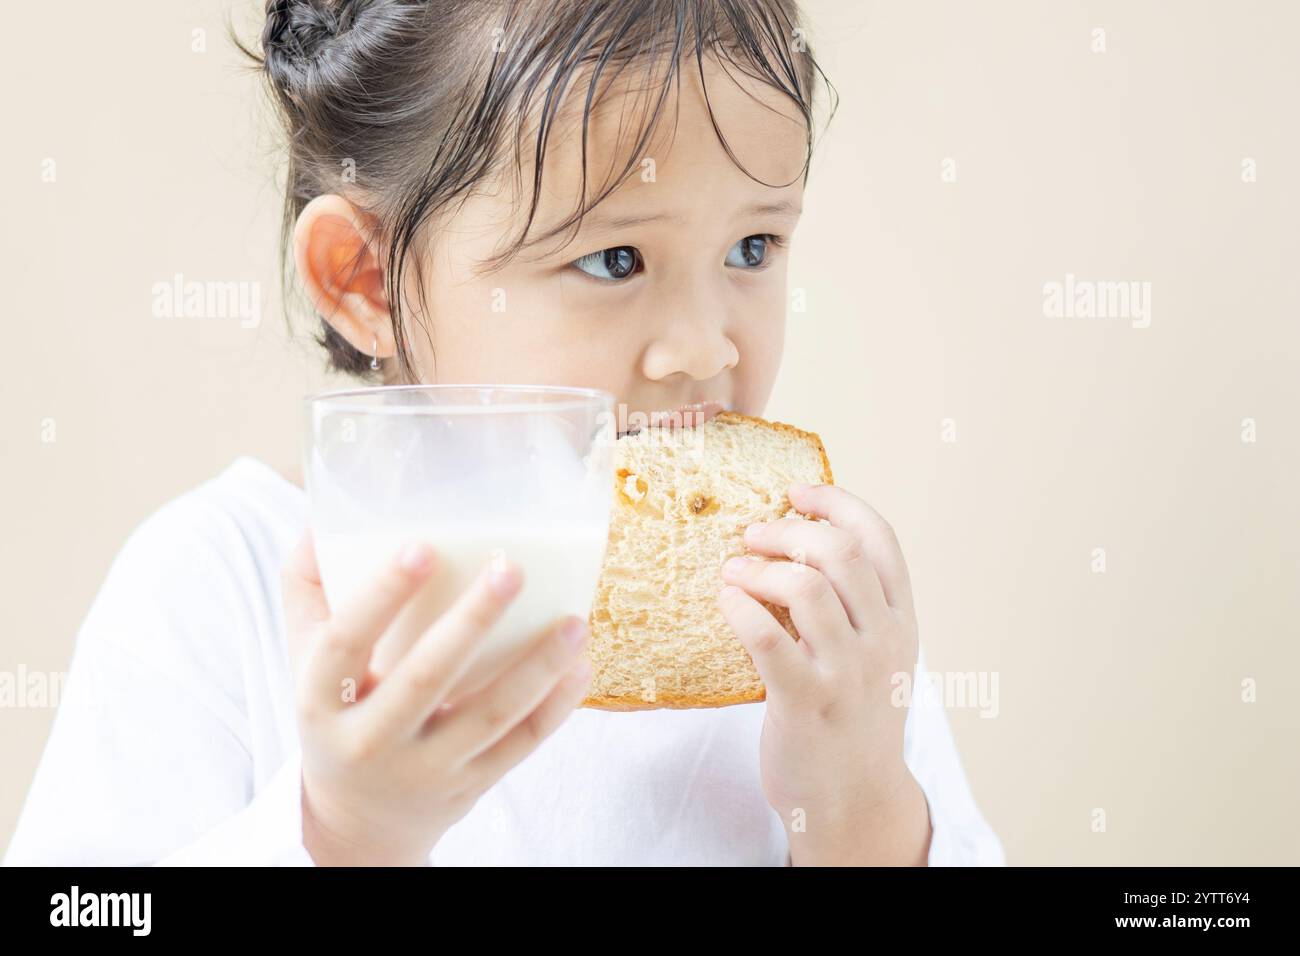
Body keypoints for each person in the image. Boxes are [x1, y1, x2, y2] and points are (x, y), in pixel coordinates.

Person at [4, 0, 1004, 866]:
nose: (702, 347)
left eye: (753, 244)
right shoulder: (217, 585)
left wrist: (858, 802)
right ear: (363, 279)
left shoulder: (813, 627)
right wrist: (341, 830)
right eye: (613, 258)